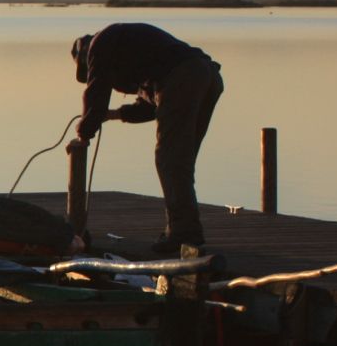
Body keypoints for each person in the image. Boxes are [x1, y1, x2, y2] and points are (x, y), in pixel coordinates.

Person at [67, 23, 223, 252]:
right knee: (179, 161)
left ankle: (182, 234)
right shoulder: (132, 51)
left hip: (186, 77)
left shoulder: (99, 46)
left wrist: (84, 132)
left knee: (170, 160)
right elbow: (152, 105)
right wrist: (113, 115)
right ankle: (185, 231)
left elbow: (96, 90)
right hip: (207, 76)